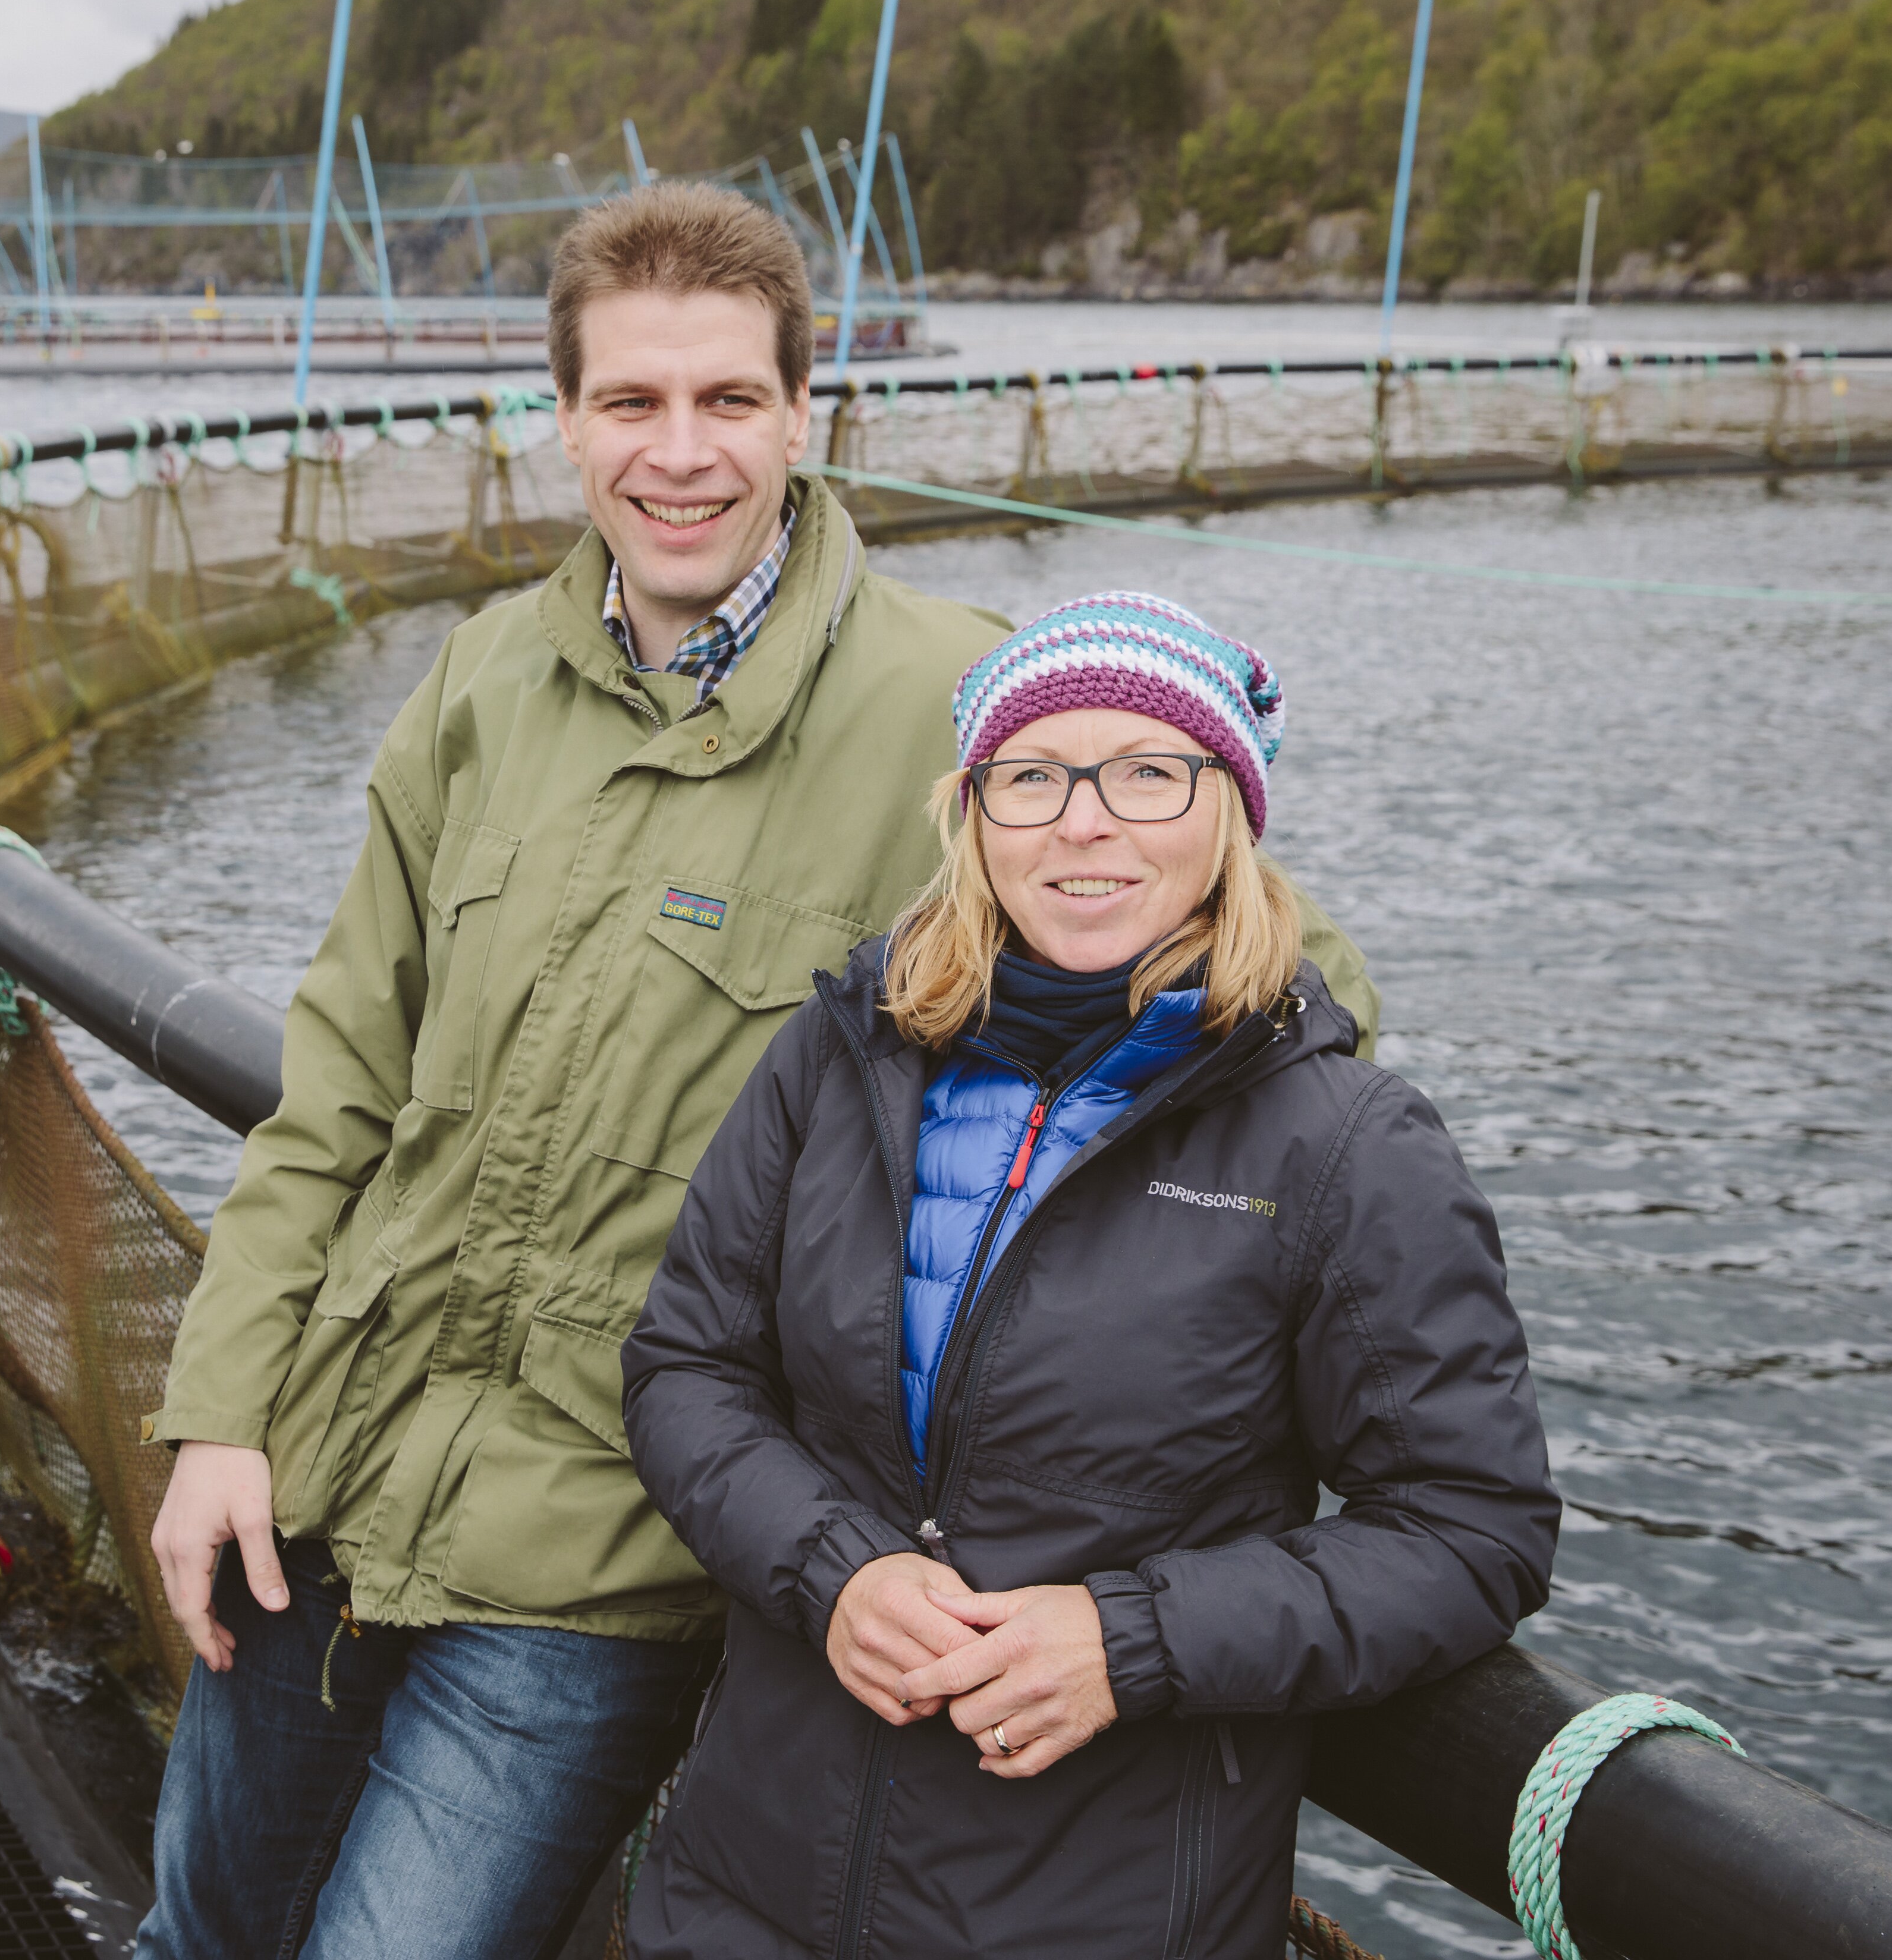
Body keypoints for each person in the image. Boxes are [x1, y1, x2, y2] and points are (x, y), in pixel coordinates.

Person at [133, 190, 1382, 1960]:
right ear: (561, 422)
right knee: (195, 1931)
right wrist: (222, 1410)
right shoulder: (484, 679)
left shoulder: (959, 709)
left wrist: (1069, 1407)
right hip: (324, 1473)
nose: (679, 453)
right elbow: (335, 1086)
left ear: (806, 412)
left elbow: (1283, 978)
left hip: (600, 1550)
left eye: (727, 400)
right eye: (630, 403)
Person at [621, 592, 1558, 1959]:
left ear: (1227, 811)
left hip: (1099, 1907)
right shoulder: (839, 1057)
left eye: (1148, 770)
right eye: (1033, 774)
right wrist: (834, 1570)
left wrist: (1132, 1639)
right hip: (748, 1880)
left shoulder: (1347, 1143)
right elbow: (687, 1367)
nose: (1083, 818)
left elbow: (1471, 1528)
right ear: (975, 813)